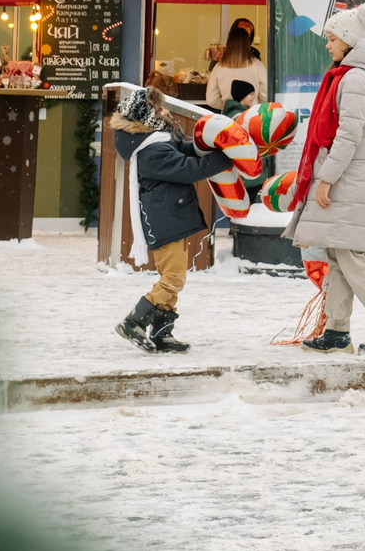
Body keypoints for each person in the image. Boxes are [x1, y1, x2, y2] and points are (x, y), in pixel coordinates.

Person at [287, 4, 365, 354]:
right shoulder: (349, 75)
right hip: (350, 179)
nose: (328, 44)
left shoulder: (354, 78)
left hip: (348, 180)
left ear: (350, 41)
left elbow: (348, 135)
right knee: (338, 254)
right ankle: (337, 332)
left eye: (332, 38)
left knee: (351, 255)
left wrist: (325, 178)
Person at [110, 84, 233, 353]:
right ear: (147, 118)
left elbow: (186, 152)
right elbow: (188, 169)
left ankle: (162, 332)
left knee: (174, 276)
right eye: (159, 108)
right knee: (173, 278)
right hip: (164, 223)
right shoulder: (151, 151)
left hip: (170, 219)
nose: (165, 111)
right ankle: (134, 321)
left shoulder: (157, 142)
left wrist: (213, 148)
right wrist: (225, 159)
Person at [206, 19, 267, 110]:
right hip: (251, 116)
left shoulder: (219, 67)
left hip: (228, 116)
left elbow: (212, 100)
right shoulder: (257, 65)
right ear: (248, 42)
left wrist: (226, 106)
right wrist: (255, 105)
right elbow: (266, 96)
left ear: (229, 42)